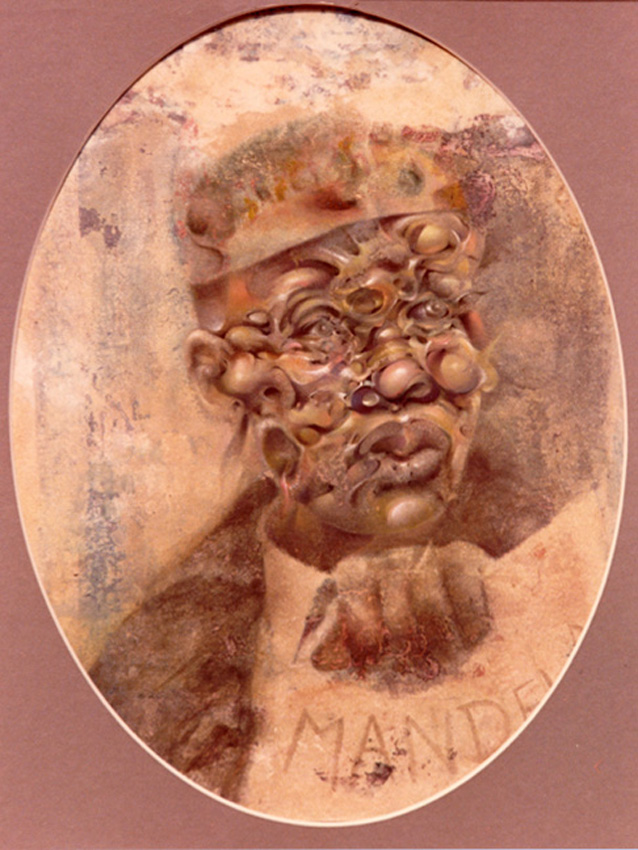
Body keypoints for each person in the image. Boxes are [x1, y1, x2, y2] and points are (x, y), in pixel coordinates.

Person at [89, 114, 549, 803]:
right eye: (324, 329)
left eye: (430, 311)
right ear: (220, 377)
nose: (401, 376)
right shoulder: (151, 678)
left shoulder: (570, 561)